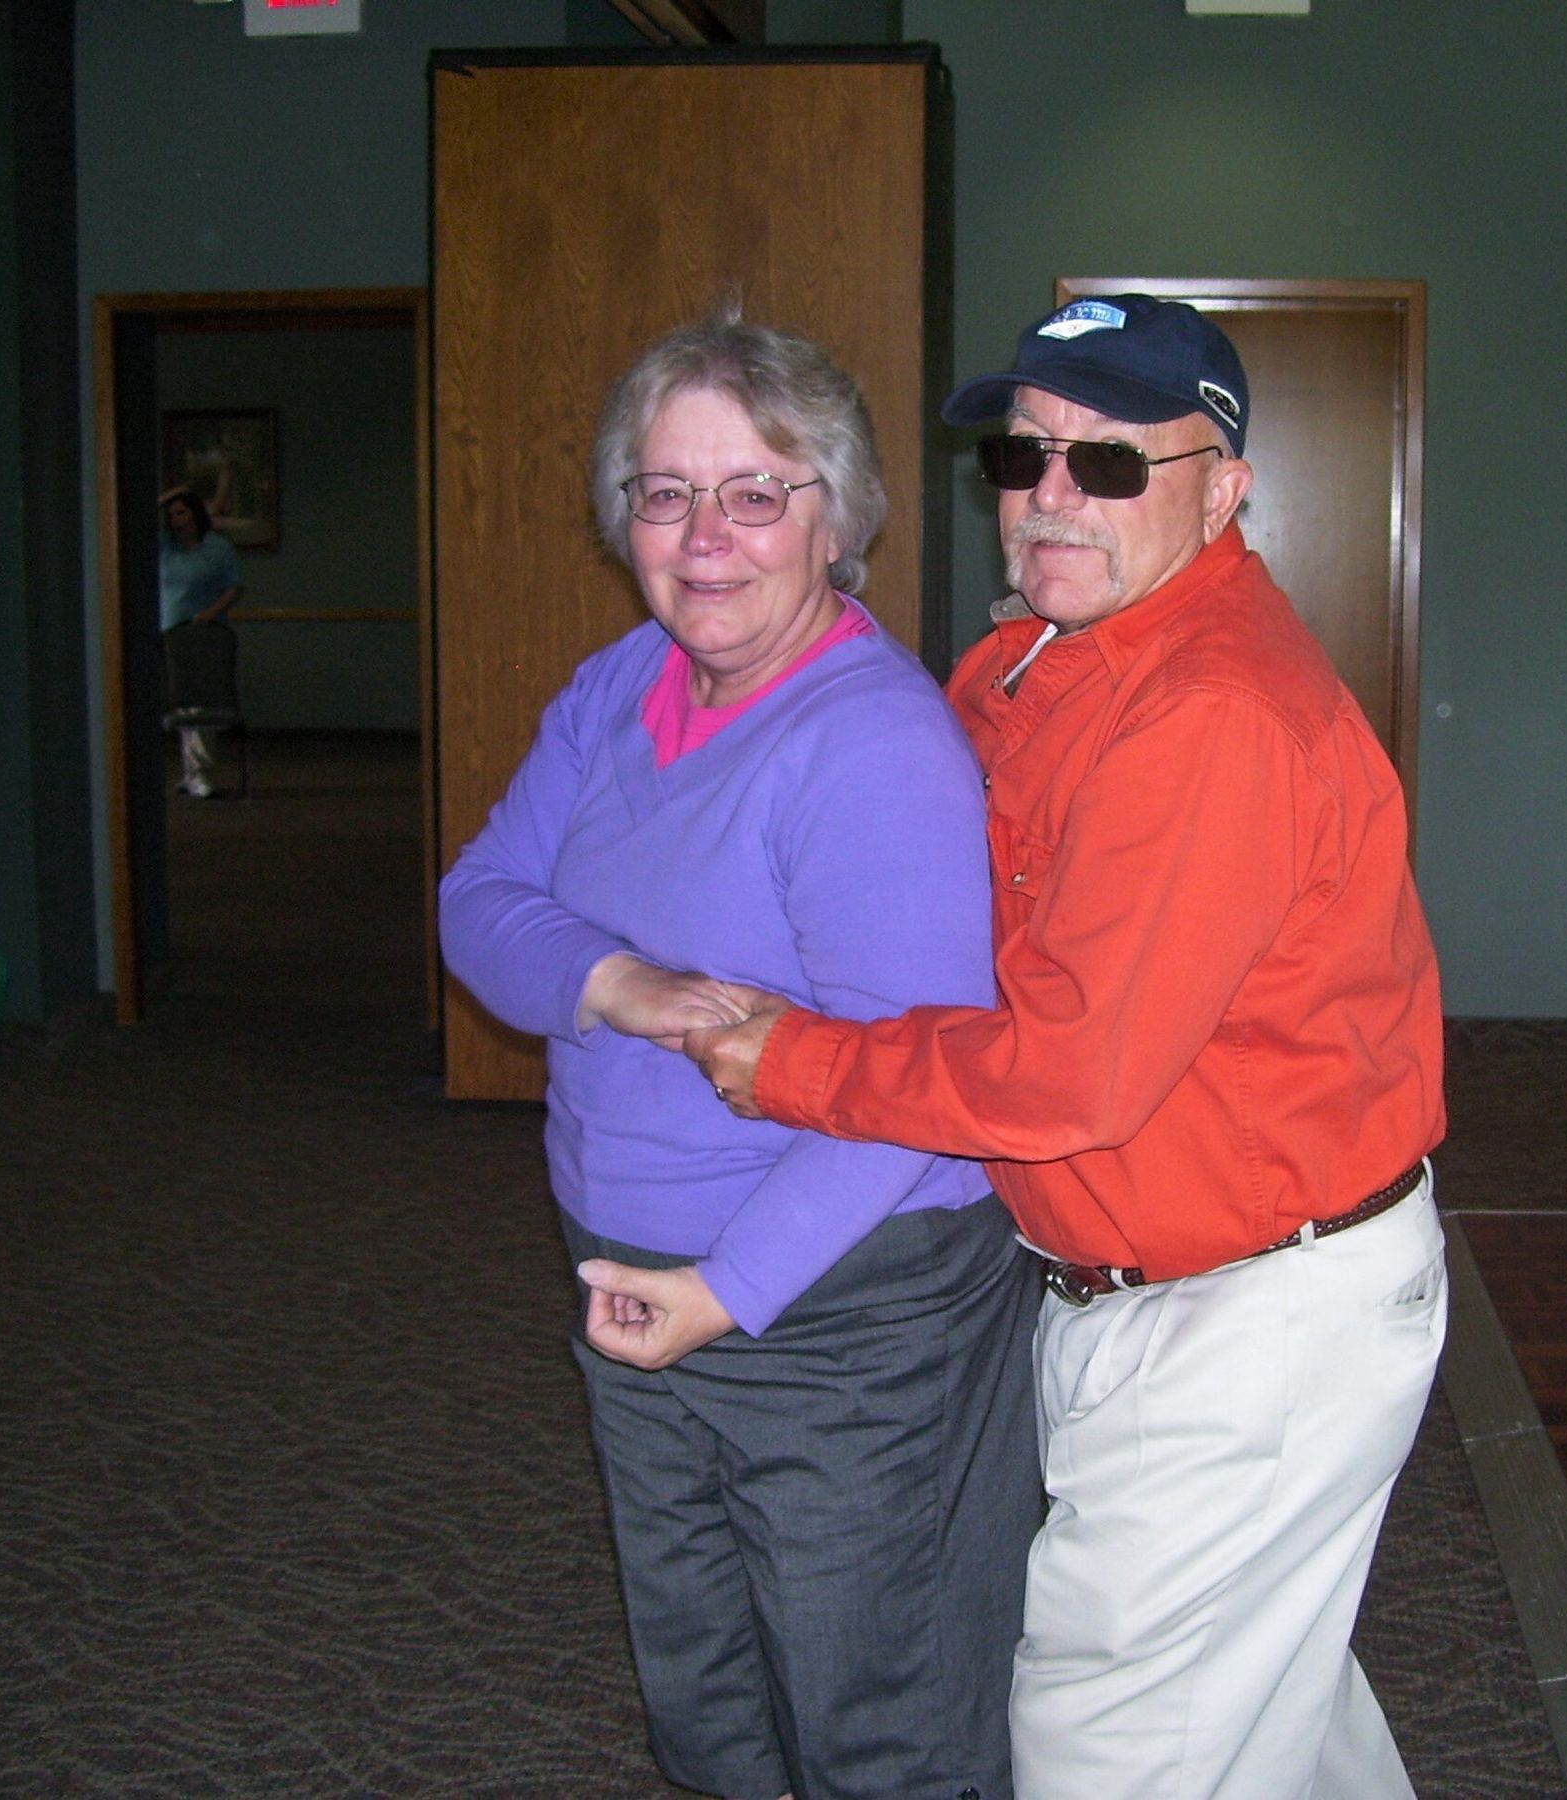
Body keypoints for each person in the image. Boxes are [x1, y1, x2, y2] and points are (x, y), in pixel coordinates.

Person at [690, 294, 1450, 1797]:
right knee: (1264, 1713)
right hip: (1160, 1293)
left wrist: (791, 1063)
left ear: (1223, 494)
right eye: (1023, 455)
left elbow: (1064, 1074)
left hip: (1249, 1321)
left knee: (1111, 1746)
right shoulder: (1031, 666)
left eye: (1109, 464)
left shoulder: (1210, 712)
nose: (1051, 495)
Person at [437, 306, 1039, 1800]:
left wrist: (723, 1292)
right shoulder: (618, 688)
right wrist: (617, 980)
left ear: (839, 520)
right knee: (707, 1698)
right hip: (636, 1280)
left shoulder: (871, 744)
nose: (707, 536)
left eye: (757, 491)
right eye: (666, 492)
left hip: (843, 1307)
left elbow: (913, 1088)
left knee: (878, 1719)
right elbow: (480, 903)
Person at [158, 486, 243, 797]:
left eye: (182, 512)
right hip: (173, 630)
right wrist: (171, 495)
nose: (177, 520)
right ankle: (190, 771)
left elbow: (234, 587)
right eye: (172, 515)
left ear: (195, 514)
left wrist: (211, 612)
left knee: (202, 702)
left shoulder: (217, 547)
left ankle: (201, 773)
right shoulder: (165, 546)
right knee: (183, 702)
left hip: (208, 631)